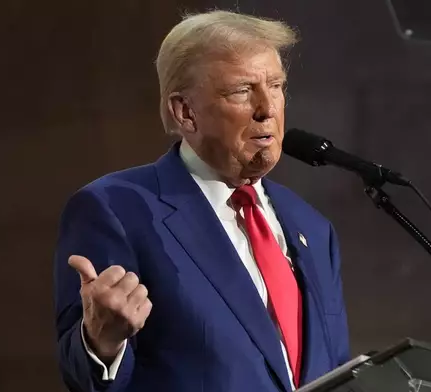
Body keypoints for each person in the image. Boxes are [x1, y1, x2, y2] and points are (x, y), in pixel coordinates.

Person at [53, 10, 350, 392]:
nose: (268, 108)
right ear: (185, 112)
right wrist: (102, 341)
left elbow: (339, 372)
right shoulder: (117, 210)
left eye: (275, 86)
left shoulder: (311, 226)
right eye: (242, 90)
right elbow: (84, 378)